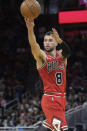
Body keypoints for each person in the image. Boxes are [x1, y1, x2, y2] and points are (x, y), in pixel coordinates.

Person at [25, 18, 71, 131]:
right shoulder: (42, 57)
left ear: (56, 43)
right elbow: (34, 45)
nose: (47, 42)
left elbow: (68, 52)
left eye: (50, 40)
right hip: (51, 98)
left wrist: (60, 39)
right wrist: (30, 29)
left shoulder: (62, 55)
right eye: (45, 40)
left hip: (61, 98)